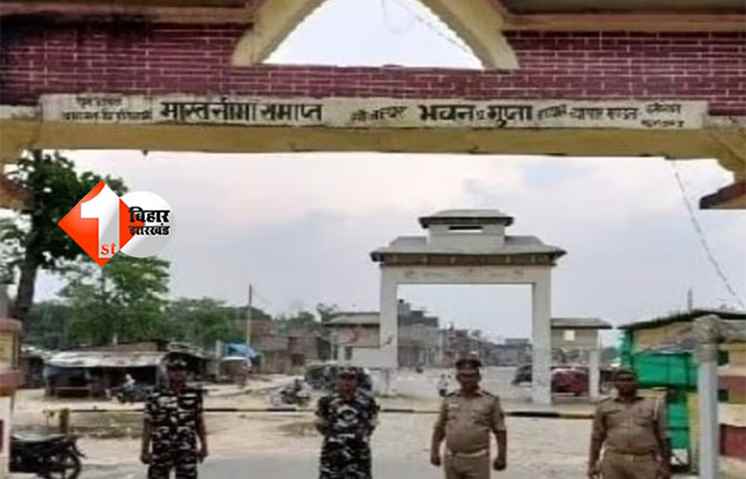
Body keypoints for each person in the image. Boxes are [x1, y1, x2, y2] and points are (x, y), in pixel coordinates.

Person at [431, 353, 507, 479]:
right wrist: (434, 452)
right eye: (463, 376)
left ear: (478, 377)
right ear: (458, 378)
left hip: (478, 461)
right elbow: (439, 428)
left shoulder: (490, 401)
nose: (467, 380)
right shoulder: (449, 400)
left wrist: (502, 456)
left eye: (471, 376)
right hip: (452, 460)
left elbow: (500, 430)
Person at [587, 368, 670, 479]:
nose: (626, 383)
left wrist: (665, 465)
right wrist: (592, 464)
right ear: (615, 383)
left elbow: (663, 437)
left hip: (644, 462)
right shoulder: (604, 406)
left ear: (637, 382)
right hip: (614, 461)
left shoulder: (653, 405)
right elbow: (597, 437)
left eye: (630, 380)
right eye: (621, 380)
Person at [141, 358, 209, 479]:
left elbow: (199, 421)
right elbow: (148, 423)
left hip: (186, 448)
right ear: (167, 372)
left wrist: (204, 446)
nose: (177, 373)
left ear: (186, 372)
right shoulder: (155, 395)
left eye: (181, 369)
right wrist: (144, 450)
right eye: (173, 369)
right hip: (162, 448)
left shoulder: (194, 394)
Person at [315, 366, 379, 479]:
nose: (347, 382)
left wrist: (358, 436)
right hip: (332, 455)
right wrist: (336, 437)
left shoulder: (367, 401)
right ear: (337, 379)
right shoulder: (326, 400)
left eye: (351, 378)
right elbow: (320, 424)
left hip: (359, 456)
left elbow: (371, 424)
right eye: (343, 377)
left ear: (357, 380)